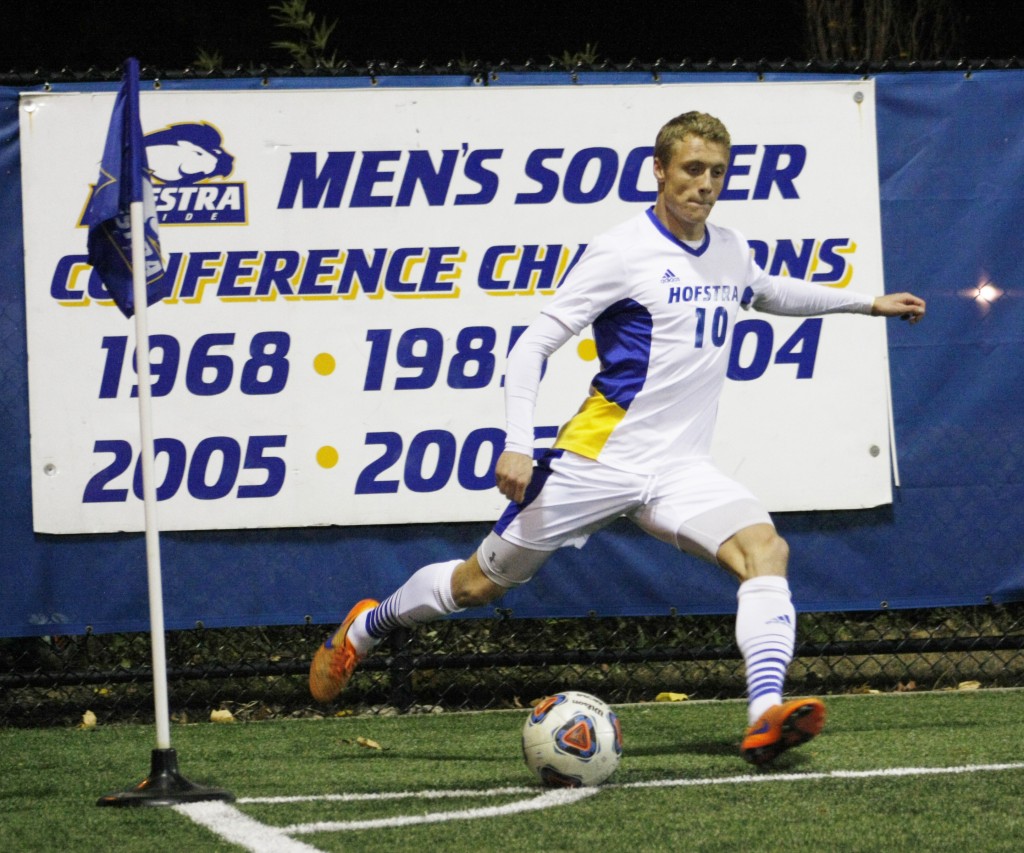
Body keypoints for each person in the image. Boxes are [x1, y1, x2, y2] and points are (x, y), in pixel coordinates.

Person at [310, 111, 926, 765]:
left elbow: (770, 291)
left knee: (765, 549)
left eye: (717, 172)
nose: (705, 184)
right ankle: (367, 627)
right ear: (659, 169)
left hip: (680, 468)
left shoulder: (730, 247)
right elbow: (532, 346)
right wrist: (519, 441)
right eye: (692, 169)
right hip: (595, 460)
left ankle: (763, 715)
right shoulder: (622, 250)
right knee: (476, 586)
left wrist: (866, 303)